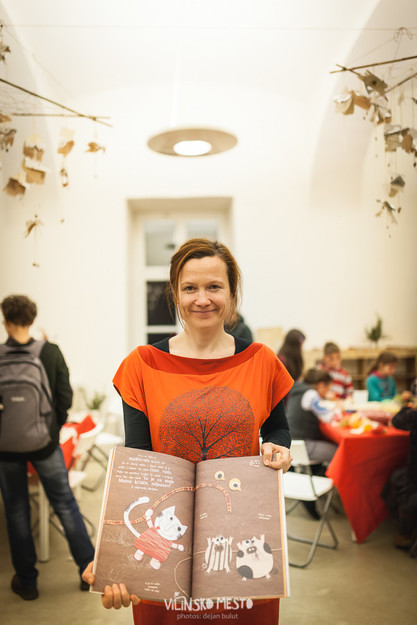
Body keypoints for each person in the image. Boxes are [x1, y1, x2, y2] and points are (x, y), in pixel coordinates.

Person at [82, 238, 294, 624]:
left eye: (214, 286)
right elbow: (138, 464)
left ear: (232, 293)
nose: (202, 299)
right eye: (190, 288)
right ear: (175, 294)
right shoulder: (143, 365)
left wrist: (278, 447)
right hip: (167, 540)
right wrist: (117, 557)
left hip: (240, 539)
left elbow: (278, 428)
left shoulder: (260, 361)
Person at [0, 295, 95, 600]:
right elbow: (65, 396)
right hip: (45, 444)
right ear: (32, 320)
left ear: (6, 321)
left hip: (6, 447)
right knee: (65, 504)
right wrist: (51, 431)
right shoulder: (49, 351)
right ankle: (89, 571)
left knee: (16, 510)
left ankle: (27, 582)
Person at [382, 404, 417, 550]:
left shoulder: (413, 417)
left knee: (397, 481)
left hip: (413, 479)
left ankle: (405, 534)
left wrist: (406, 407)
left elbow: (396, 421)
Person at [286, 369, 339, 465]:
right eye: (328, 388)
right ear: (321, 385)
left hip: (290, 442)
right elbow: (327, 417)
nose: (328, 392)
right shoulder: (311, 394)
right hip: (302, 445)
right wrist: (337, 410)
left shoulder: (298, 390)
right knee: (339, 452)